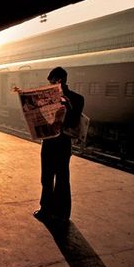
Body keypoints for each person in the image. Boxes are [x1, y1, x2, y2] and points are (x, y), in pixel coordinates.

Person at [33, 66, 84, 224]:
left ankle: (46, 210)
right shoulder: (78, 98)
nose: (49, 85)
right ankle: (62, 213)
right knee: (62, 177)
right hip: (61, 144)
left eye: (51, 82)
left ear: (58, 81)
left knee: (49, 177)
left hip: (54, 143)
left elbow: (73, 120)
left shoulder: (73, 99)